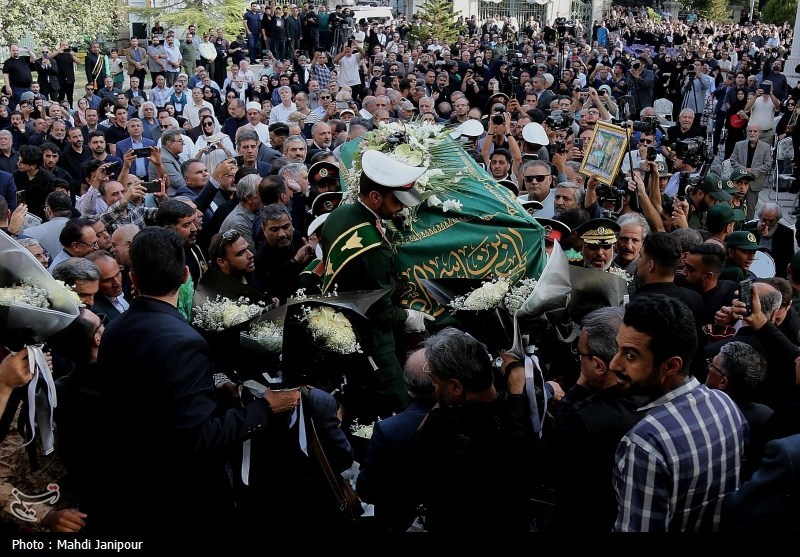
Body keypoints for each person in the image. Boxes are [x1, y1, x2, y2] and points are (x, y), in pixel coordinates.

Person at [87, 226, 301, 534]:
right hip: (182, 492)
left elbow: (150, 394)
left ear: (132, 278)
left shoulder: (114, 329)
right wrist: (266, 408)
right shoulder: (184, 340)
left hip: (131, 480)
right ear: (186, 275)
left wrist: (212, 386)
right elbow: (198, 436)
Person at [611, 294, 747, 531]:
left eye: (631, 355)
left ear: (671, 366)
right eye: (617, 349)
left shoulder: (646, 442)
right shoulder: (725, 404)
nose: (614, 364)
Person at [321, 150, 433, 418]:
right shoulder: (374, 249)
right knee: (399, 408)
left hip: (341, 328)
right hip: (371, 341)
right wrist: (409, 316)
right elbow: (379, 313)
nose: (402, 207)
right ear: (375, 197)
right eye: (397, 201)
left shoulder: (340, 215)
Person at [540, 306, 654, 533]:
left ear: (599, 365)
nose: (578, 360)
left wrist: (580, 384)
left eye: (580, 354)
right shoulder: (656, 391)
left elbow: (547, 463)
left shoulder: (585, 419)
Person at [410, 328, 532, 534]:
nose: (434, 387)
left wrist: (441, 402)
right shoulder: (518, 411)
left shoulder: (442, 427)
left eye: (436, 381)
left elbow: (418, 463)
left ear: (456, 387)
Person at [356, 348, 436, 532]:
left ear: (407, 386)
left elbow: (367, 490)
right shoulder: (463, 419)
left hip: (399, 522)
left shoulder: (388, 430)